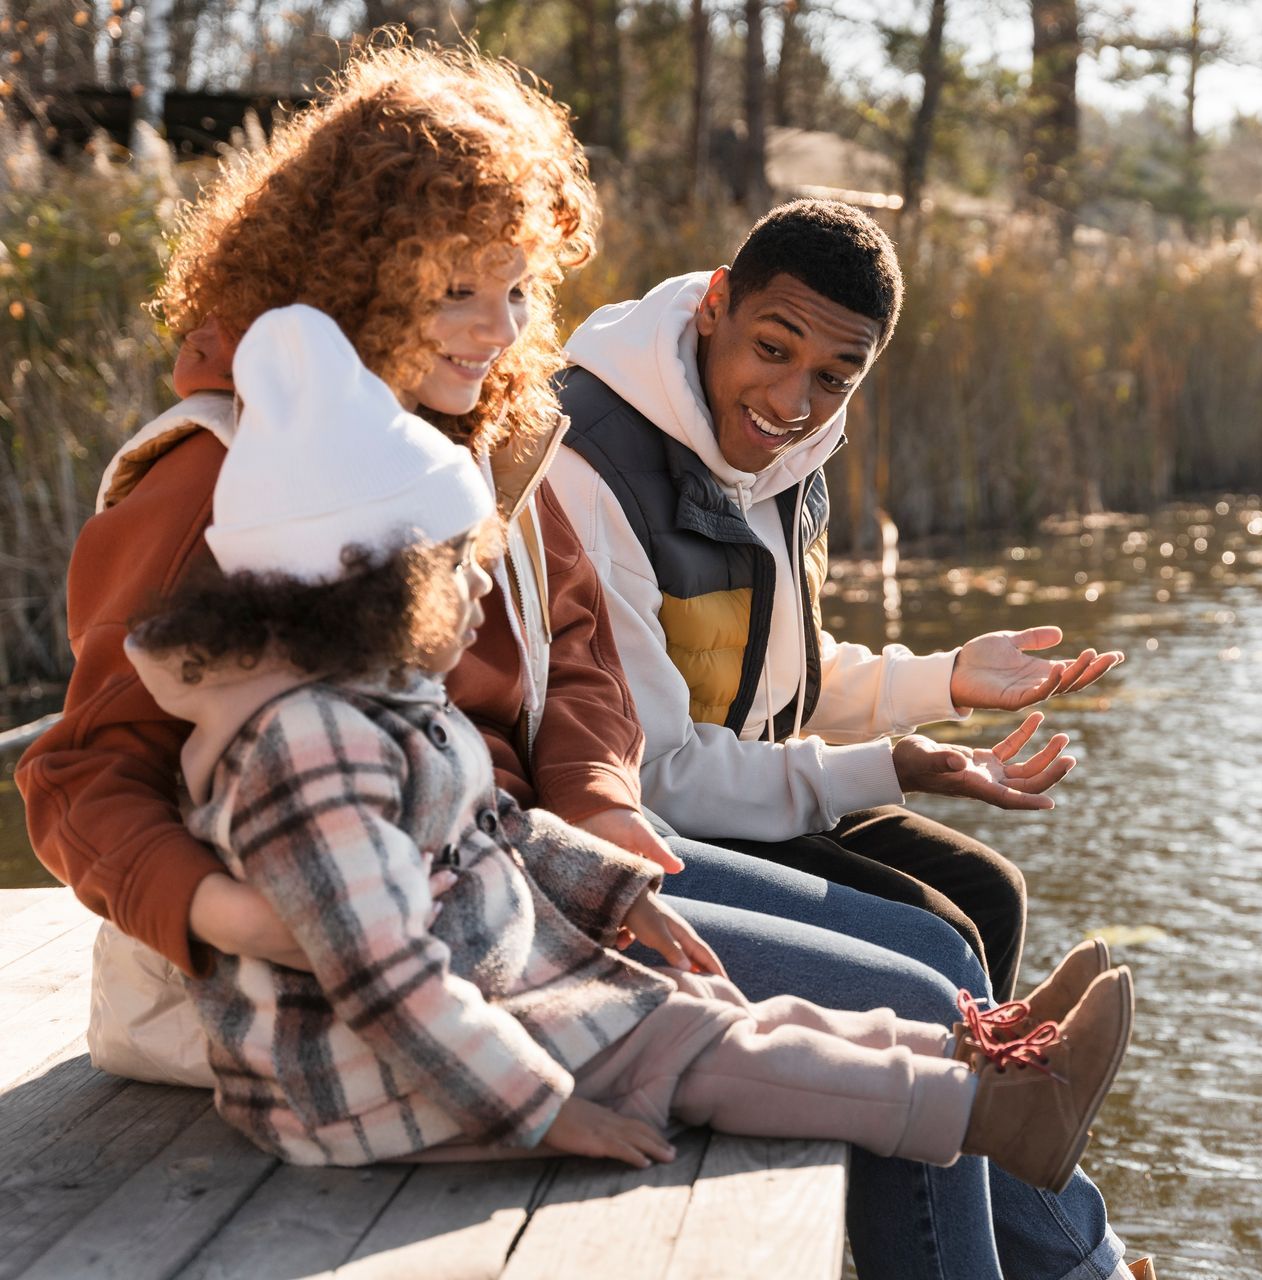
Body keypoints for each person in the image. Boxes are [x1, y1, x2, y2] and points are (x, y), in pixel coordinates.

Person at [17, 44, 1150, 1278]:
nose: (501, 329)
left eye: (516, 289)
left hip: (511, 869)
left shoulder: (483, 437)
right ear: (355, 273)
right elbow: (81, 777)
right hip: (311, 966)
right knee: (927, 993)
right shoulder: (219, 478)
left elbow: (581, 665)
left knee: (934, 958)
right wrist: (236, 913)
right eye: (460, 290)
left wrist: (608, 825)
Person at [125, 303, 1133, 1195]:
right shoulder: (313, 749)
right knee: (686, 1042)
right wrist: (542, 1108)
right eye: (455, 571)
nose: (484, 594)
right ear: (363, 586)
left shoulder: (382, 706)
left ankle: (974, 1056)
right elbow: (389, 984)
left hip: (478, 984)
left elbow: (502, 829)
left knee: (694, 999)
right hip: (358, 1083)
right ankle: (983, 1113)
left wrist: (616, 888)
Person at [549, 199, 1124, 1003]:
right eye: (772, 349)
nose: (790, 403)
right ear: (716, 304)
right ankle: (960, 1111)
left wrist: (948, 680)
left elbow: (774, 683)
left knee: (990, 889)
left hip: (742, 780)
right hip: (653, 819)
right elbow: (655, 773)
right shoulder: (589, 465)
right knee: (937, 936)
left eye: (832, 378)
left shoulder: (786, 450)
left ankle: (982, 1103)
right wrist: (889, 767)